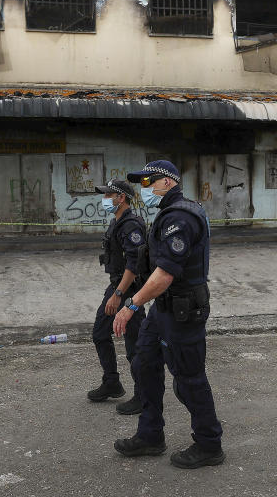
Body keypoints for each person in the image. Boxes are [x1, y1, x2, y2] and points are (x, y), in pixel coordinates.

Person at [112, 160, 225, 469]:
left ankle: (209, 443)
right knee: (144, 363)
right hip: (163, 310)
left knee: (189, 379)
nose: (143, 189)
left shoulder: (180, 217)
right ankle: (150, 436)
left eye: (147, 182)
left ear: (166, 182)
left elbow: (165, 274)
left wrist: (131, 304)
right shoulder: (167, 214)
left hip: (183, 311)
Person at [87, 179, 147, 415]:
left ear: (121, 198)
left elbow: (134, 264)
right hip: (116, 287)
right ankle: (112, 381)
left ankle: (143, 396)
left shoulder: (131, 225)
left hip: (129, 291)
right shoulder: (117, 221)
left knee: (135, 346)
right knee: (100, 333)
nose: (105, 199)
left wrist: (119, 294)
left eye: (108, 195)